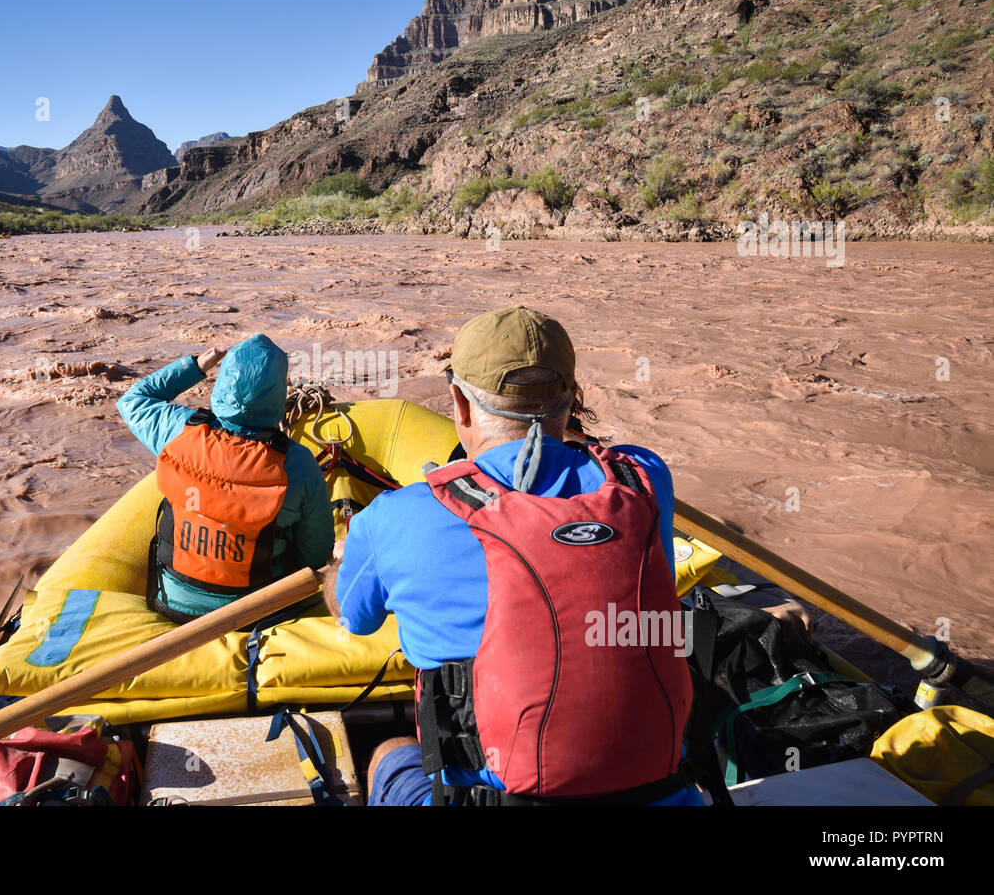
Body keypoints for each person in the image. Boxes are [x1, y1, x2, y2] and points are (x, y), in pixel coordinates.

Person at [322, 306, 702, 806]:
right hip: (660, 794)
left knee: (390, 752)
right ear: (572, 397)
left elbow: (355, 618)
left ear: (458, 402)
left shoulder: (393, 517)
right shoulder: (645, 477)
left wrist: (340, 565)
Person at [117, 334, 334, 622]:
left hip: (171, 603)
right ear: (279, 392)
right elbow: (315, 555)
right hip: (257, 612)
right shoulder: (298, 463)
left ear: (223, 382)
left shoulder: (178, 431)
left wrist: (196, 365)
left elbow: (132, 400)